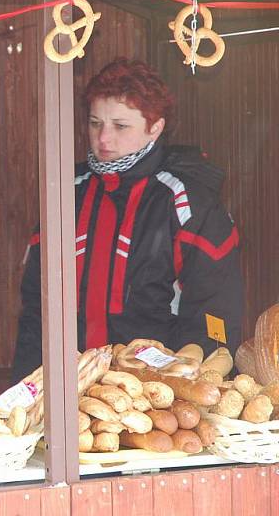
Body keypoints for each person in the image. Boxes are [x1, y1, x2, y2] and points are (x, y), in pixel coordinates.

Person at [12, 58, 242, 382]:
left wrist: (185, 392)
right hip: (70, 394)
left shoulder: (187, 202)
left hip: (157, 400)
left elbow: (214, 316)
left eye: (120, 126)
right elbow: (37, 308)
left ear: (155, 127)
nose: (104, 139)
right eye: (95, 123)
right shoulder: (65, 194)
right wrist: (24, 390)